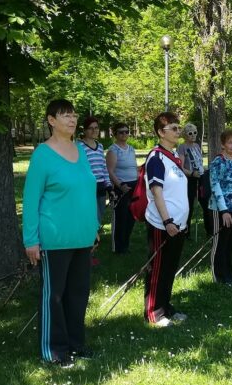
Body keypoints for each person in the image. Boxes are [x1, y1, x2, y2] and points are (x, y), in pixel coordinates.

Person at [23, 100, 100, 366]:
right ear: (51, 120)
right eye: (65, 115)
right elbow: (31, 200)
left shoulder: (80, 149)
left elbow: (86, 191)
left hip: (82, 236)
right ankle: (53, 350)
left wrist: (94, 229)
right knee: (53, 296)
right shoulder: (42, 154)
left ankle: (76, 344)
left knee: (78, 293)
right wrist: (30, 239)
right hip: (54, 238)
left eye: (74, 115)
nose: (72, 119)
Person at [144, 112, 189, 327]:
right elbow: (156, 191)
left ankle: (166, 306)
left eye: (178, 127)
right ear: (161, 132)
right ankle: (154, 311)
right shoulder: (156, 158)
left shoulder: (174, 157)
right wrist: (167, 220)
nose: (178, 131)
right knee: (158, 268)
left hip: (178, 224)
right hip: (162, 224)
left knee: (170, 268)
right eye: (174, 128)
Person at [208, 130, 232, 285]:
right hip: (221, 209)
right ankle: (218, 276)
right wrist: (224, 211)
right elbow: (215, 186)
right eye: (230, 142)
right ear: (223, 144)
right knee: (220, 243)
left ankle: (229, 275)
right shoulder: (218, 162)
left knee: (230, 243)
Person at [106, 122, 138, 254]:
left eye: (126, 131)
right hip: (121, 187)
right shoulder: (113, 150)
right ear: (115, 134)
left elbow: (134, 167)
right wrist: (120, 185)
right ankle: (118, 247)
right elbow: (110, 171)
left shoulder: (131, 149)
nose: (124, 134)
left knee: (131, 217)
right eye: (121, 132)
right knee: (121, 217)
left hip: (134, 186)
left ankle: (125, 244)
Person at [79, 116, 113, 223]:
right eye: (90, 128)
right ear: (84, 130)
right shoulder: (79, 146)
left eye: (96, 128)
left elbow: (103, 167)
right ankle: (89, 238)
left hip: (101, 186)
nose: (94, 130)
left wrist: (108, 186)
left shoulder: (100, 146)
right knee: (88, 217)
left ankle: (95, 238)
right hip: (87, 187)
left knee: (99, 216)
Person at [176, 123, 206, 232]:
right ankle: (186, 230)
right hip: (190, 180)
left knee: (205, 202)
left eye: (195, 132)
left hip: (201, 178)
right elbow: (181, 167)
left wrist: (202, 169)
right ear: (185, 135)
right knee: (189, 205)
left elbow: (199, 161)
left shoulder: (197, 146)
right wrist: (192, 173)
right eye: (190, 133)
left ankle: (209, 230)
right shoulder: (182, 147)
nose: (193, 135)